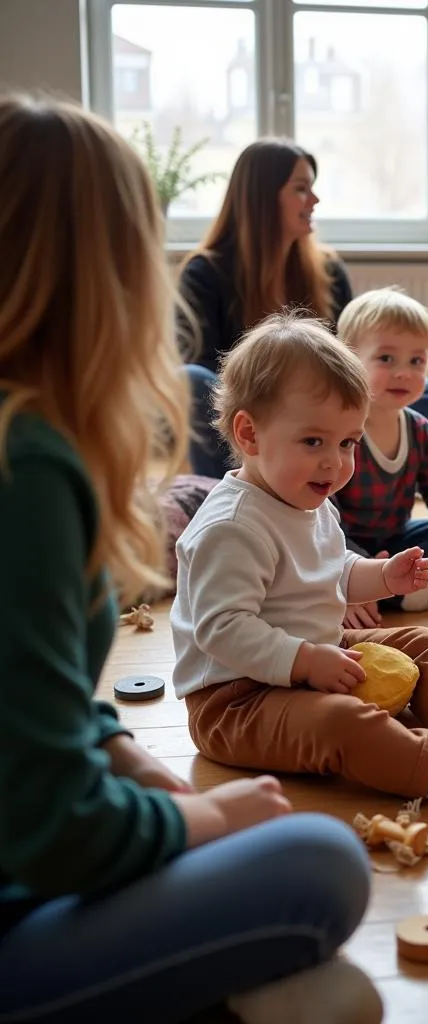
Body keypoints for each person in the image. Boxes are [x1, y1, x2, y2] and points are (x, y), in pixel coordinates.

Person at [0, 95, 382, 1024]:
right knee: (323, 866)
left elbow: (33, 710)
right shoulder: (27, 464)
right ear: (106, 269)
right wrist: (206, 819)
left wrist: (142, 768)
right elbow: (52, 825)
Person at [171, 312, 428, 802]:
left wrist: (383, 576)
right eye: (314, 441)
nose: (335, 462)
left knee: (420, 640)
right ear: (248, 435)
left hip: (314, 650)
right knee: (342, 723)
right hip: (237, 699)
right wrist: (306, 660)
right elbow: (221, 629)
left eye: (348, 443)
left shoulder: (309, 498)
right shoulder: (232, 526)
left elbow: (335, 572)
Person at [178, 137, 428, 477]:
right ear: (261, 197)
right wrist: (284, 395)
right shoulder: (204, 272)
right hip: (256, 412)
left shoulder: (327, 270)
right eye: (301, 189)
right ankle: (223, 489)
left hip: (323, 410)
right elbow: (206, 368)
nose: (314, 200)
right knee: (191, 381)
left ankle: (364, 475)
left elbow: (350, 352)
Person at [333, 287, 428, 628]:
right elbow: (320, 514)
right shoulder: (340, 429)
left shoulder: (419, 428)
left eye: (416, 361)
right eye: (386, 359)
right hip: (342, 544)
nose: (403, 372)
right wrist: (350, 565)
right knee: (321, 550)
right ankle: (403, 593)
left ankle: (383, 591)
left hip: (394, 539)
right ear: (349, 359)